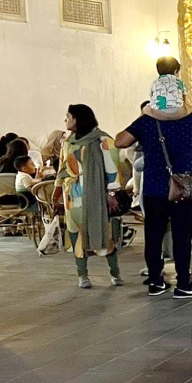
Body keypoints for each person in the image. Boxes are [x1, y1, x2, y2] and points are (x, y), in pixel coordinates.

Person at [115, 57, 192, 298]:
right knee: (182, 237)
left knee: (153, 236)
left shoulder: (146, 123)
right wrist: (191, 106)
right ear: (181, 94)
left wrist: (146, 115)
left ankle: (156, 282)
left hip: (154, 188)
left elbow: (120, 141)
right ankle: (183, 284)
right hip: (183, 188)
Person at [58, 104, 125, 289]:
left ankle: (115, 272)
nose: (65, 120)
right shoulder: (68, 142)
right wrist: (58, 189)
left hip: (99, 195)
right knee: (76, 235)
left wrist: (112, 192)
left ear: (78, 119)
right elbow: (62, 167)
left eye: (68, 116)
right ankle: (82, 274)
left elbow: (113, 169)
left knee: (106, 232)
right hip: (73, 197)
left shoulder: (103, 140)